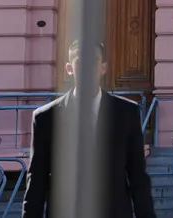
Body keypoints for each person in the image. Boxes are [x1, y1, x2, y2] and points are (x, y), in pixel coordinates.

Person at [22, 40, 155, 218]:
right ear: (69, 69)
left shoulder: (127, 113)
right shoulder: (46, 118)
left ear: (103, 68)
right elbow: (36, 181)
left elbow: (138, 176)